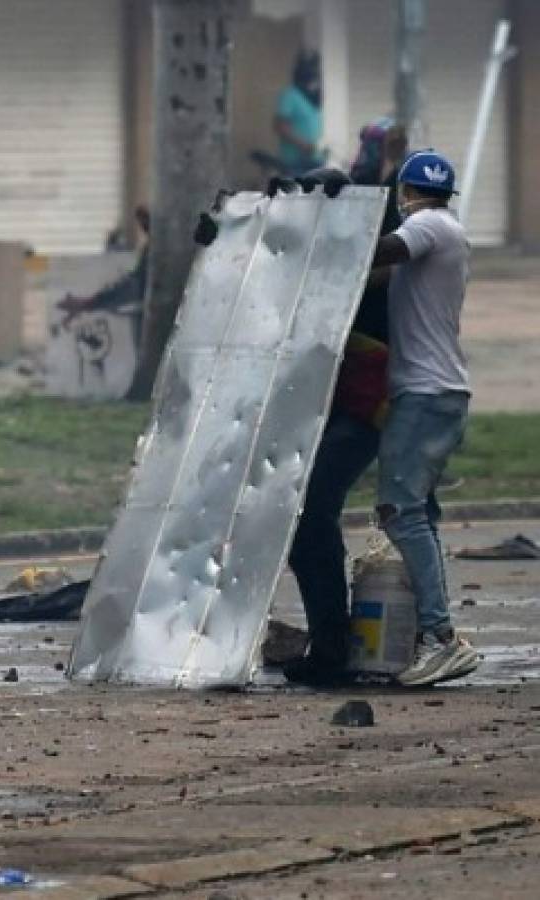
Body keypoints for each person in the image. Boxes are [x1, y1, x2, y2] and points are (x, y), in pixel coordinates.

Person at [283, 122, 409, 687]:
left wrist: (361, 176)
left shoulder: (376, 251)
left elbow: (371, 207)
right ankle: (329, 639)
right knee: (302, 523)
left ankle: (335, 648)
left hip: (366, 410)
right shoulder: (323, 259)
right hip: (324, 405)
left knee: (313, 515)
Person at [361, 149, 479, 687]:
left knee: (399, 511)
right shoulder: (444, 235)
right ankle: (427, 631)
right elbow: (380, 278)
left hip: (426, 395)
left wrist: (343, 223)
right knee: (419, 517)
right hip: (438, 393)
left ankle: (441, 638)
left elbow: (383, 248)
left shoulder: (430, 227)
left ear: (406, 194)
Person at [56, 205, 150, 327]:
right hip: (136, 284)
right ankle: (82, 306)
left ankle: (82, 306)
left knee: (113, 295)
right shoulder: (148, 246)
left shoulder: (149, 245)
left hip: (138, 285)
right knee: (110, 296)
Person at [273, 51, 324, 177]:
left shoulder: (311, 98)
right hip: (295, 161)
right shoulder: (290, 95)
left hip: (314, 159)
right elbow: (280, 126)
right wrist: (303, 144)